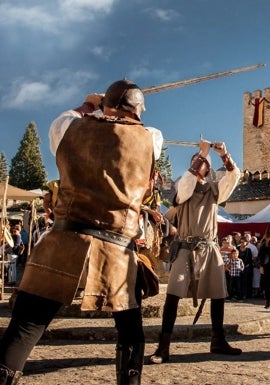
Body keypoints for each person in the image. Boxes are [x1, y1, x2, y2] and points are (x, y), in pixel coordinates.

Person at [0, 79, 163, 385]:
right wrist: (108, 109)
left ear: (107, 105)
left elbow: (66, 120)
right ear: (139, 110)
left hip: (64, 242)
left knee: (27, 325)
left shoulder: (67, 127)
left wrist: (89, 104)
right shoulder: (151, 137)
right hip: (116, 250)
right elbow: (135, 133)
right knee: (130, 331)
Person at [149, 138, 242, 365]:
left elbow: (234, 177)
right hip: (186, 247)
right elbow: (187, 184)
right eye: (195, 162)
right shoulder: (184, 187)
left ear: (208, 170)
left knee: (218, 294)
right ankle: (163, 347)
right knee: (172, 295)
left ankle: (217, 340)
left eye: (201, 163)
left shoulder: (215, 190)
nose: (198, 165)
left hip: (209, 248)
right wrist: (202, 154)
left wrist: (224, 155)